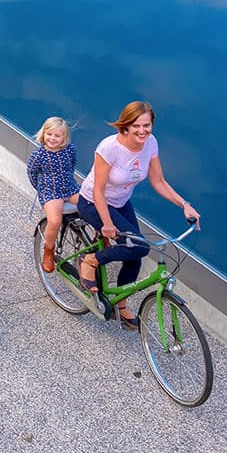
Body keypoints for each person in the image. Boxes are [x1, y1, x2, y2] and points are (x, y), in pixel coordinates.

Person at [74, 101, 198, 329]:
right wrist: (107, 224)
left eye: (147, 125)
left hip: (120, 203)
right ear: (125, 126)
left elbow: (158, 181)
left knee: (136, 255)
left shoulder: (150, 144)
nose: (142, 131)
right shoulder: (109, 148)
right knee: (139, 246)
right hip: (94, 202)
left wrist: (184, 205)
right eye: (136, 126)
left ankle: (120, 304)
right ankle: (90, 260)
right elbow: (98, 191)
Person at [26, 117, 78, 273]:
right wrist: (41, 189)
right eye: (49, 134)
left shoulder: (70, 149)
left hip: (70, 188)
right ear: (43, 134)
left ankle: (98, 239)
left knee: (93, 204)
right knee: (54, 221)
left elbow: (72, 165)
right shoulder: (39, 155)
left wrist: (68, 181)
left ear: (64, 137)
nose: (52, 138)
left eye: (57, 136)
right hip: (51, 192)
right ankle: (48, 250)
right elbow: (31, 173)